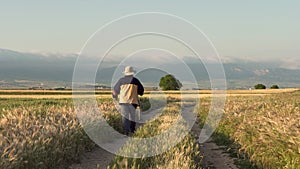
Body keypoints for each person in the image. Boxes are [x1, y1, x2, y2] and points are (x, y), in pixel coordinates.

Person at [112, 66, 144, 135]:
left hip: (123, 102)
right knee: (132, 117)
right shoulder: (135, 81)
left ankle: (125, 132)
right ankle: (132, 131)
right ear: (132, 73)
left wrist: (115, 97)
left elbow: (115, 91)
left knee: (125, 117)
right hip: (133, 102)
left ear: (125, 73)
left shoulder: (121, 80)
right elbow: (141, 91)